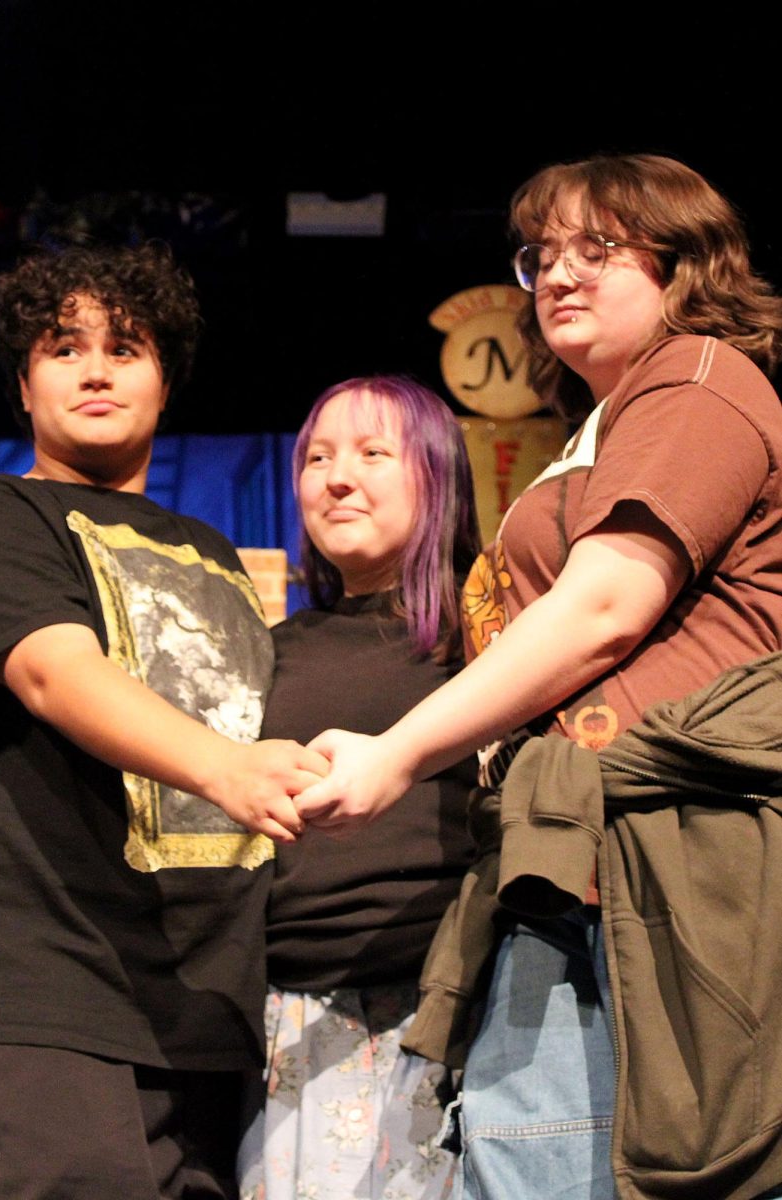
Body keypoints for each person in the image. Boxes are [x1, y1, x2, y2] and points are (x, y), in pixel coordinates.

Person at [295, 155, 782, 1200]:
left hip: (656, 872)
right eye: (540, 254)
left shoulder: (698, 380)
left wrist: (395, 752)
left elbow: (603, 609)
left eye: (595, 248)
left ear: (680, 265)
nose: (556, 272)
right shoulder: (598, 431)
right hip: (577, 867)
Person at [0, 242, 327, 1200]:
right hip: (39, 1003)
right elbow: (57, 675)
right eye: (64, 350)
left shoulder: (222, 556)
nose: (97, 369)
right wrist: (229, 770)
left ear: (165, 382)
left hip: (205, 1021)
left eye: (127, 347)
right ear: (23, 387)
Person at [237, 375, 480, 1200]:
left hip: (448, 1013)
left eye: (374, 453)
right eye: (317, 457)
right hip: (290, 1020)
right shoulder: (266, 649)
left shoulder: (490, 640)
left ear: (437, 475)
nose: (337, 477)